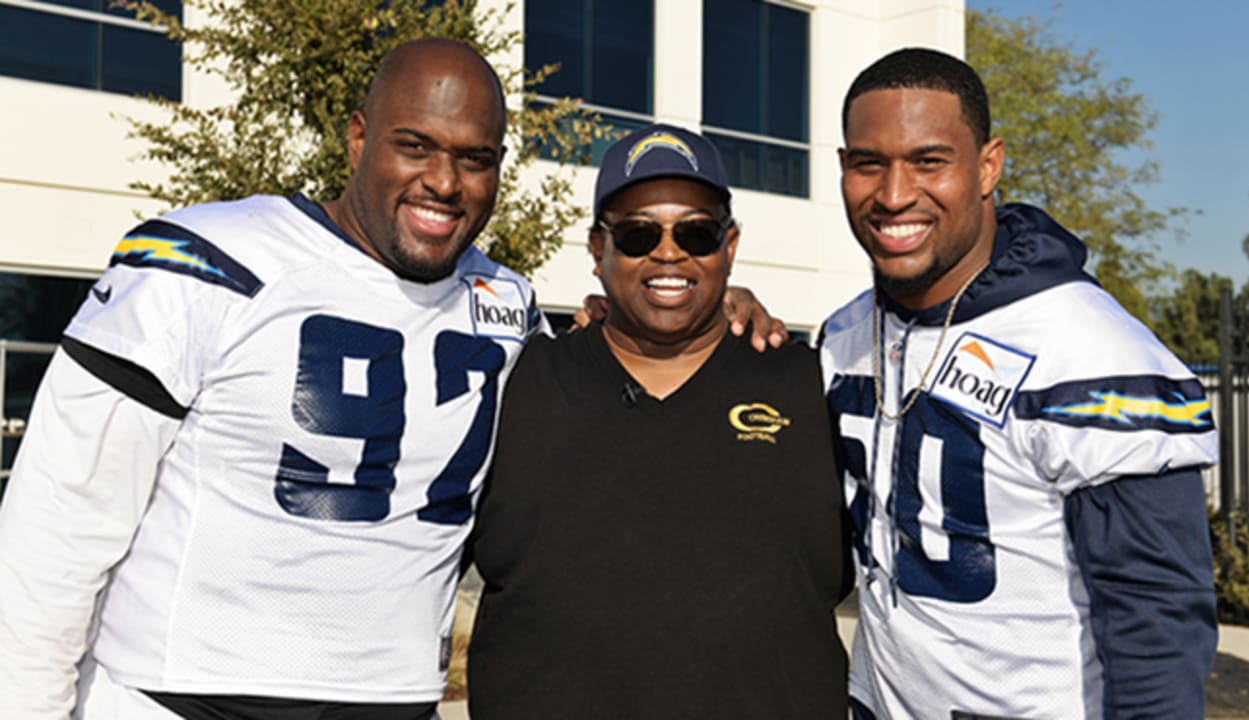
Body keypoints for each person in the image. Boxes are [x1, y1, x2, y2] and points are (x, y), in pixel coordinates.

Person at [0, 39, 779, 718]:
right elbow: (55, 529)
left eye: (474, 159)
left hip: (396, 703)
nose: (445, 181)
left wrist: (715, 309)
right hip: (184, 696)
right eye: (416, 146)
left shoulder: (505, 303)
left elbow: (612, 372)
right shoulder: (207, 258)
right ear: (358, 138)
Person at [820, 47, 1219, 719]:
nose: (893, 195)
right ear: (842, 169)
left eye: (929, 161)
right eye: (869, 164)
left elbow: (1157, 620)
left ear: (988, 166)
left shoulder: (1090, 350)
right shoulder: (845, 333)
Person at [465, 123, 852, 719]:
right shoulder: (516, 380)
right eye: (639, 234)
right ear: (598, 251)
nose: (668, 253)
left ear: (730, 247)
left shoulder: (812, 387)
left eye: (696, 233)